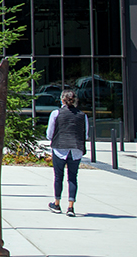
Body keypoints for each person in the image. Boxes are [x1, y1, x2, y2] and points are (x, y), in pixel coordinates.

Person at [47, 89, 89, 217]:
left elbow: (50, 133)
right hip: (76, 149)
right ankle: (71, 207)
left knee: (58, 177)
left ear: (62, 100)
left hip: (60, 148)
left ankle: (57, 203)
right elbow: (85, 134)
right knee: (73, 177)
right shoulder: (82, 115)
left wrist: (54, 139)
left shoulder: (56, 113)